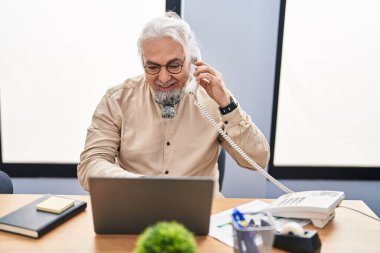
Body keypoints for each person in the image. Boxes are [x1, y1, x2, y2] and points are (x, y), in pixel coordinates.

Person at [77, 12, 270, 197]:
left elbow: (257, 161)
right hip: (136, 204)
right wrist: (142, 185)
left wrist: (227, 105)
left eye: (174, 65)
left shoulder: (214, 100)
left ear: (193, 61)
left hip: (203, 212)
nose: (163, 77)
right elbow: (91, 164)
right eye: (152, 67)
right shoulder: (117, 99)